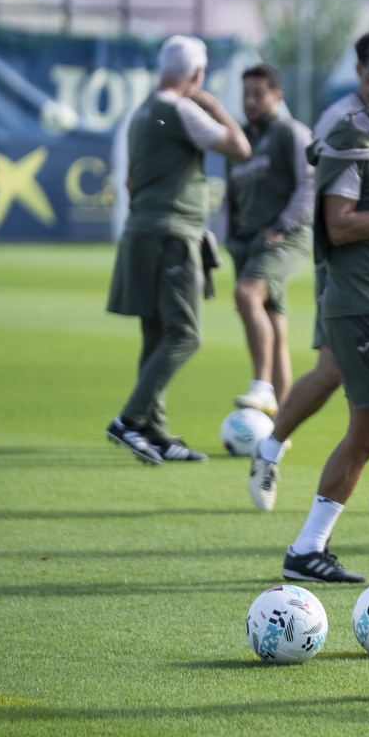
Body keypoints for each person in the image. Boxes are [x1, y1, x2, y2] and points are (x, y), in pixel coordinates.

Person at [248, 31, 369, 517]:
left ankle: (367, 490)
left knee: (352, 394)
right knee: (368, 394)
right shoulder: (342, 124)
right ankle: (276, 451)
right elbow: (338, 219)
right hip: (351, 284)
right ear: (364, 76)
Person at [105, 35, 251, 464]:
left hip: (141, 230)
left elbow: (131, 181)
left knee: (156, 334)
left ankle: (155, 431)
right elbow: (239, 148)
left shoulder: (141, 113)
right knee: (185, 334)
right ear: (197, 74)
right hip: (173, 234)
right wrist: (216, 107)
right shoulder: (182, 110)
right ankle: (129, 421)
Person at [225, 63, 314, 417]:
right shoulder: (239, 138)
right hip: (245, 242)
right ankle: (279, 428)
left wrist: (282, 224)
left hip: (283, 237)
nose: (249, 101)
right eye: (245, 94)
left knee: (246, 295)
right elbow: (230, 196)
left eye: (258, 94)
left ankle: (262, 386)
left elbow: (309, 183)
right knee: (275, 328)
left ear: (277, 96)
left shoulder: (291, 132)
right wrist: (229, 236)